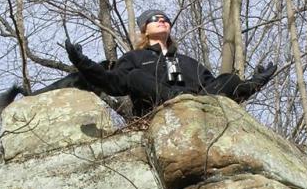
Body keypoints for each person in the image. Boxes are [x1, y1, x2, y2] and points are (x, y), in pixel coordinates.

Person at [64, 9, 276, 117]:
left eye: (165, 19)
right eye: (155, 19)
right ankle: (179, 100)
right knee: (135, 76)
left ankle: (192, 102)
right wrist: (83, 63)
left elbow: (219, 87)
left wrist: (256, 81)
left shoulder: (188, 62)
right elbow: (113, 84)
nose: (162, 20)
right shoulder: (134, 58)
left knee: (228, 78)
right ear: (144, 30)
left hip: (201, 106)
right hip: (159, 111)